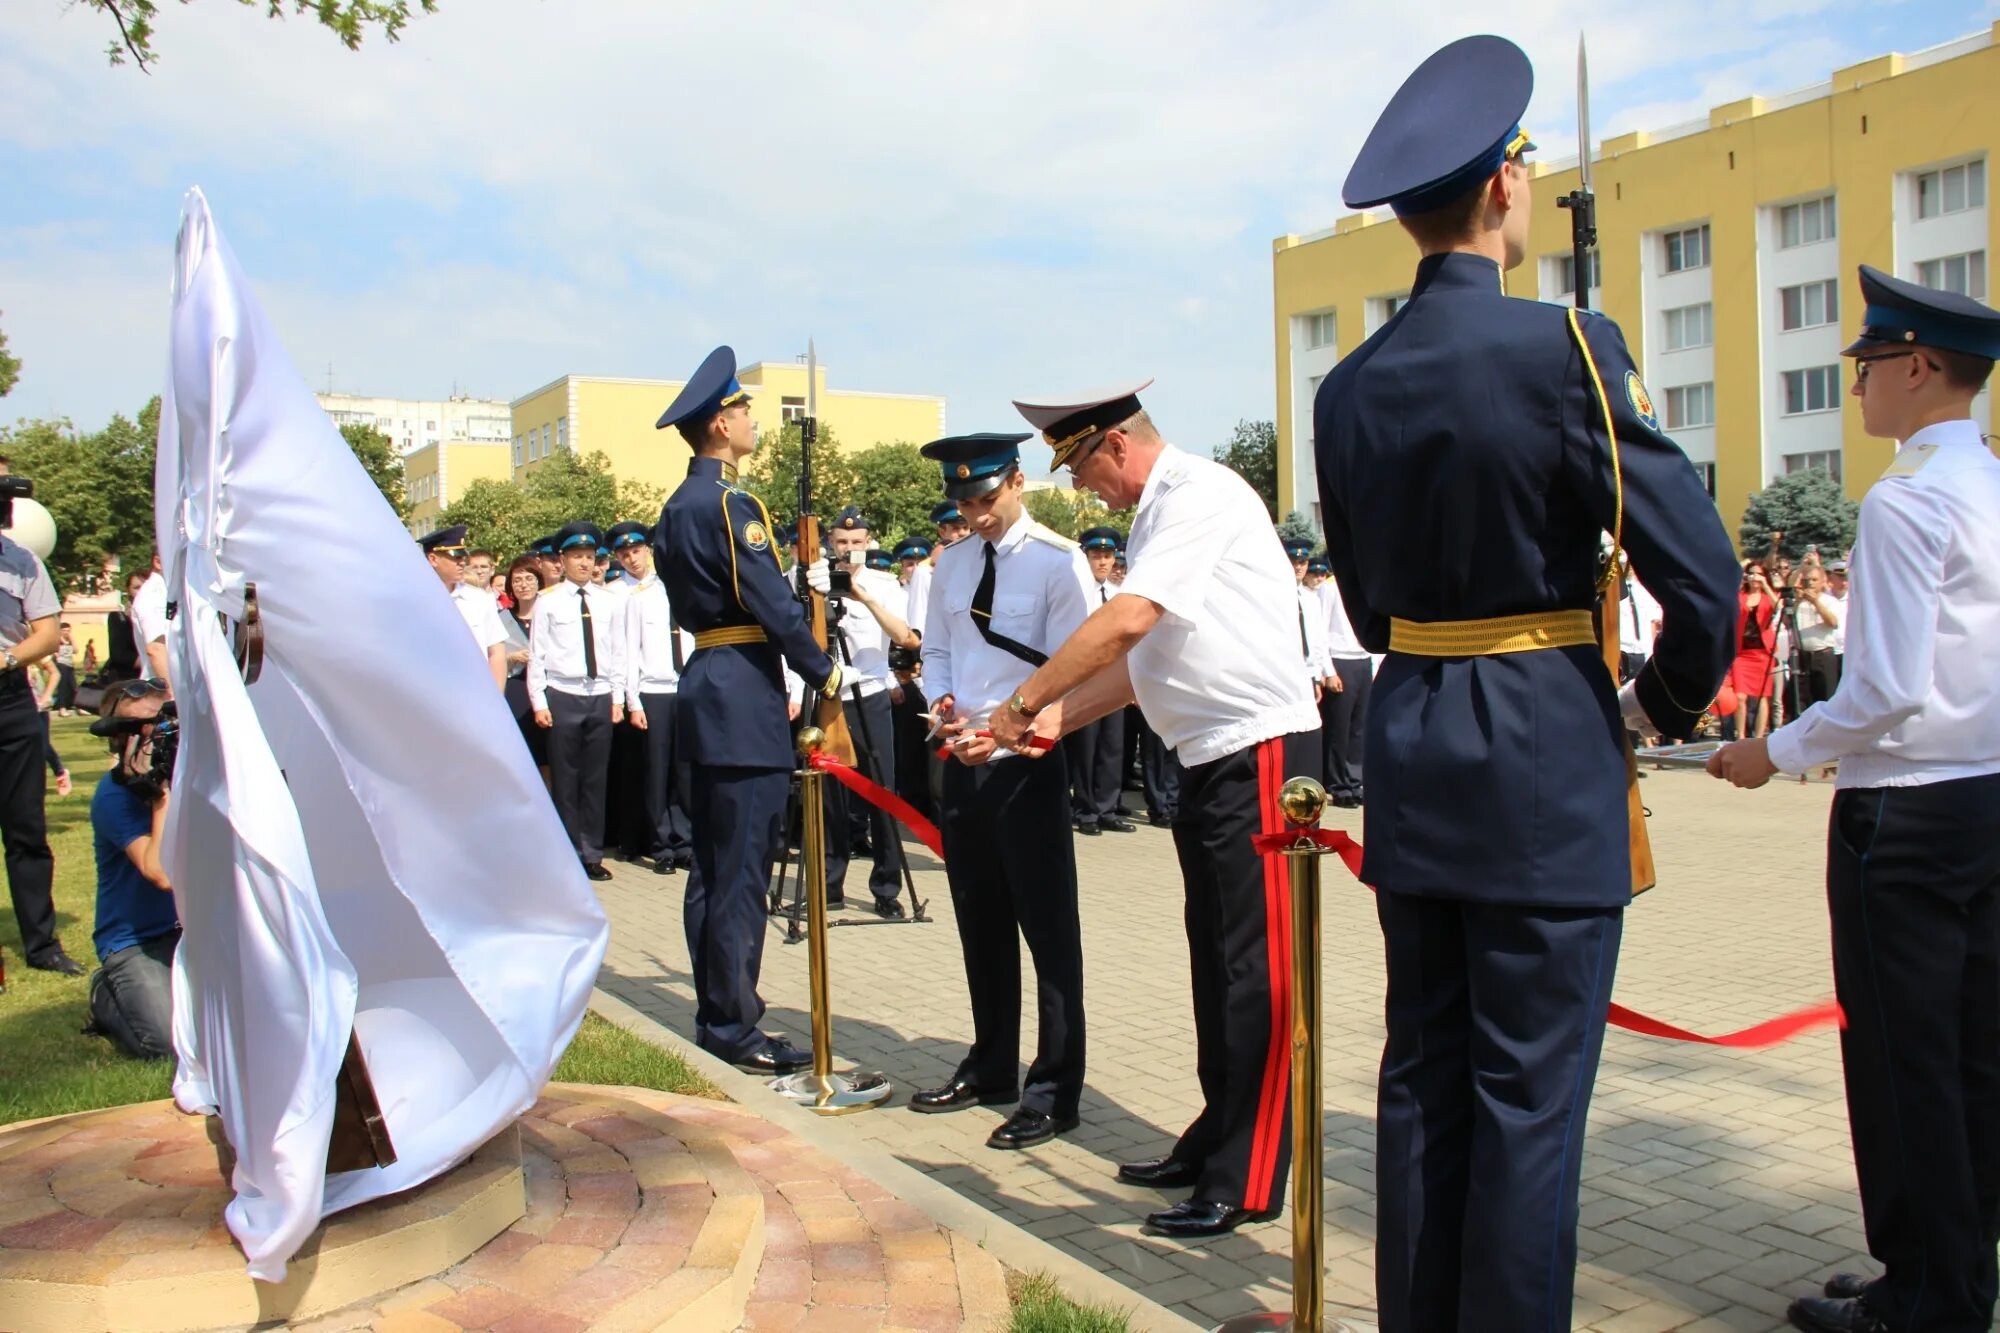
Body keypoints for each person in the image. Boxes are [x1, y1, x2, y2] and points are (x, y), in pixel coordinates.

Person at [1311, 36, 1740, 1330]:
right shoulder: (1570, 348)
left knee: (1421, 1085)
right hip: (1547, 764)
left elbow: (1375, 606)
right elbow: (1707, 586)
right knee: (1527, 1108)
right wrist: (1658, 708)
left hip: (1419, 754)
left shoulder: (1348, 389)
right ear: (1506, 186)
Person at [1709, 266, 2000, 1333]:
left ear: (1918, 365)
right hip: (1982, 798)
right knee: (1972, 1050)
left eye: (1869, 366)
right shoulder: (1988, 485)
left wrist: (1768, 755)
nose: (1859, 387)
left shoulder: (1909, 498)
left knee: (1899, 1058)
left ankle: (1922, 1298)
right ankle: (1954, 1267)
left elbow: (1881, 688)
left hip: (1905, 815)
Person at [990, 381, 1323, 1239]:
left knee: (1256, 973)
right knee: (1215, 961)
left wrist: (1027, 698)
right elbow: (1151, 662)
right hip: (1210, 755)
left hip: (1260, 750)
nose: (1081, 489)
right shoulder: (1156, 515)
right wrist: (1060, 716)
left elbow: (1132, 620)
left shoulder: (1200, 493)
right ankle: (1218, 1135)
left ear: (1116, 445)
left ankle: (1247, 1175)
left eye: (1080, 468)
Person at [654, 345, 838, 1076]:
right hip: (743, 697)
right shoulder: (732, 504)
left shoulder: (676, 507)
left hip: (708, 681)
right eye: (744, 411)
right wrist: (822, 664)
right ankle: (734, 1026)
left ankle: (718, 1011)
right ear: (720, 425)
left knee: (713, 870)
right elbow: (765, 599)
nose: (752, 421)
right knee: (739, 875)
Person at [916, 431, 1092, 1150]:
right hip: (962, 757)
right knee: (979, 920)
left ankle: (1053, 1088)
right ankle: (991, 1062)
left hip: (1026, 759)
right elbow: (934, 649)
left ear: (1018, 482)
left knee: (1047, 928)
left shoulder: (1058, 561)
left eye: (986, 498)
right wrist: (941, 700)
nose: (976, 513)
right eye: (964, 502)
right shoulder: (952, 565)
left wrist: (1012, 729)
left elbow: (1081, 663)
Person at [806, 506, 915, 918]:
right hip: (829, 696)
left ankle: (886, 887)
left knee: (881, 791)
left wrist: (862, 597)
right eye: (842, 542)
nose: (849, 549)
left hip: (868, 692)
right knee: (830, 796)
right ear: (831, 543)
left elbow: (905, 636)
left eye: (857, 543)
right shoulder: (813, 581)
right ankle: (830, 882)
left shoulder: (884, 585)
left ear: (868, 544)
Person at [0, 507, 80, 975]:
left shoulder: (23, 561)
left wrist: (8, 658)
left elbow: (48, 634)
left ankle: (42, 945)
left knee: (26, 829)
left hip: (10, 699)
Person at [527, 520, 627, 881]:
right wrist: (539, 701)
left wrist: (618, 697)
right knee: (566, 779)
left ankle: (591, 853)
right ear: (563, 561)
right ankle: (568, 852)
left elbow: (618, 651)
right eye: (577, 557)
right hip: (563, 693)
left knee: (595, 779)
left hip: (599, 694)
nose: (584, 564)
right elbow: (537, 654)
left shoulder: (609, 601)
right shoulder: (548, 601)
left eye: (589, 557)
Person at [85, 680, 179, 1058]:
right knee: (168, 1044)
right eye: (142, 728)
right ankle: (104, 995)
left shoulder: (191, 778)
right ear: (117, 738)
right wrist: (160, 797)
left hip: (188, 933)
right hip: (134, 944)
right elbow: (161, 874)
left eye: (162, 725)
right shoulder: (112, 797)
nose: (154, 736)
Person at [610, 520, 695, 876]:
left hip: (688, 689)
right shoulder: (637, 600)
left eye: (637, 551)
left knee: (686, 772)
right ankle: (661, 845)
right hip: (655, 691)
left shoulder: (685, 590)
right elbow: (629, 653)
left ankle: (686, 841)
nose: (632, 559)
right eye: (625, 554)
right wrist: (634, 701)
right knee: (657, 773)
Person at [1065, 527, 1132, 837]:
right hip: (1084, 680)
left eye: (1108, 556)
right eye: (1096, 556)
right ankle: (1086, 810)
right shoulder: (1076, 593)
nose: (1103, 562)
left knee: (1112, 746)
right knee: (1086, 748)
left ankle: (1107, 807)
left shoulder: (1119, 595)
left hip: (1113, 679)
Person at [420, 524, 507, 690]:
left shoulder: (480, 599)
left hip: (476, 691)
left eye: (463, 557)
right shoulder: (418, 602)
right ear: (433, 559)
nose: (462, 563)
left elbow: (496, 652)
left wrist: (497, 699)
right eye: (455, 557)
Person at [1315, 553, 1370, 808]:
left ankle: (1355, 779)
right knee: (1340, 728)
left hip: (1362, 658)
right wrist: (1328, 670)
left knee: (1359, 726)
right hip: (1340, 659)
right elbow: (1320, 631)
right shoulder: (1330, 587)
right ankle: (1338, 784)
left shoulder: (1364, 583)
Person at [498, 555, 549, 770]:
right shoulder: (501, 618)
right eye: (517, 580)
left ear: (539, 581)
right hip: (516, 688)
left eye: (529, 578)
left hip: (547, 689)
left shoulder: (549, 612)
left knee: (548, 754)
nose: (523, 585)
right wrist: (511, 657)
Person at [1731, 560, 1781, 738]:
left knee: (1762, 697)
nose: (1754, 577)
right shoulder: (1740, 596)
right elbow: (1728, 601)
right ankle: (1741, 736)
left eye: (1758, 573)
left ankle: (1759, 737)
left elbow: (1779, 607)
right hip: (1742, 654)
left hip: (1762, 653)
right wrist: (1741, 573)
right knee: (1740, 697)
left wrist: (1765, 585)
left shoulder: (1768, 597)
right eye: (1751, 573)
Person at [129, 551, 169, 686]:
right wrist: (172, 697)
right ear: (158, 562)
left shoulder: (169, 591)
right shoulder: (153, 596)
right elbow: (156, 649)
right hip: (163, 693)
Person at [53, 623, 77, 715]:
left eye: (68, 630)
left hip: (70, 665)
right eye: (64, 630)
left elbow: (76, 650)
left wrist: (71, 638)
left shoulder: (70, 640)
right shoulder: (57, 640)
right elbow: (53, 651)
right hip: (61, 665)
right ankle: (62, 708)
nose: (66, 632)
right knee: (62, 686)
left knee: (73, 686)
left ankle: (79, 706)